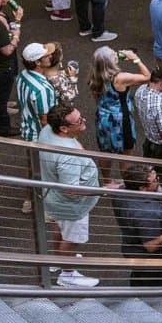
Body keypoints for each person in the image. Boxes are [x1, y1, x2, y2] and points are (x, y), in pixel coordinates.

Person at [34, 104, 103, 288]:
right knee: (72, 239)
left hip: (55, 199)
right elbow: (71, 189)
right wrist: (100, 190)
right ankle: (68, 274)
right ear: (64, 128)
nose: (84, 121)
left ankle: (58, 259)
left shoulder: (48, 130)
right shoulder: (68, 156)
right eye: (79, 121)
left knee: (61, 227)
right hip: (72, 205)